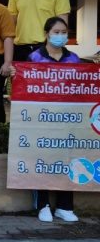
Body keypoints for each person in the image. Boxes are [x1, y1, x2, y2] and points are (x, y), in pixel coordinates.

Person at [24, 17, 80, 223]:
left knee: (66, 160)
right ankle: (43, 205)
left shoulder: (74, 58)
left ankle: (65, 206)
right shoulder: (35, 57)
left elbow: (81, 87)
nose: (60, 36)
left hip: (67, 118)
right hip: (42, 118)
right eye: (56, 32)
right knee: (42, 160)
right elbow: (25, 85)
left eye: (64, 32)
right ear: (46, 33)